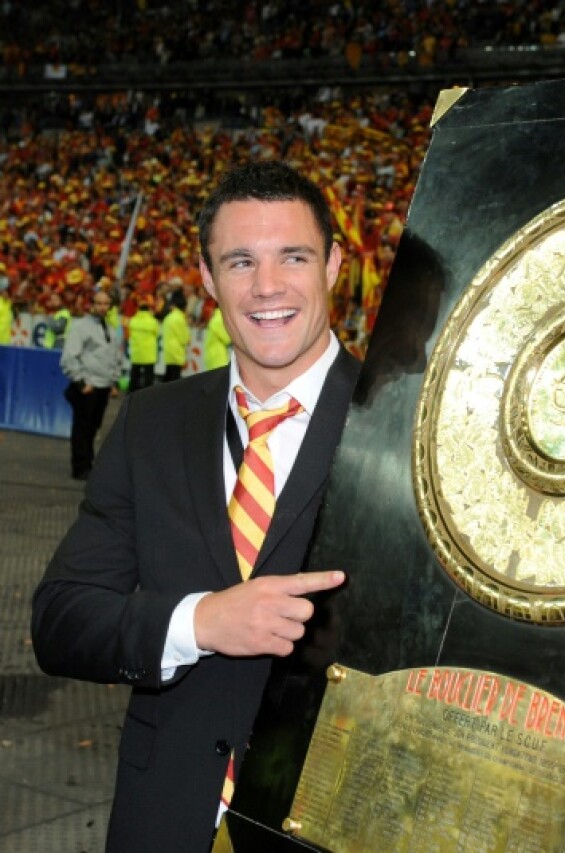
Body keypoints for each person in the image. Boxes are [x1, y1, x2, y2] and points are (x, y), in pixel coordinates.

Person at [31, 161, 360, 851]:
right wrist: (200, 620)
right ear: (208, 279)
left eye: (292, 257)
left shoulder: (406, 422)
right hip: (163, 821)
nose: (267, 286)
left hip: (339, 823)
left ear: (333, 264)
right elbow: (61, 618)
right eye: (240, 261)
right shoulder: (151, 422)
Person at [60, 288, 123, 480]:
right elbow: (69, 357)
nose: (102, 307)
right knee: (82, 427)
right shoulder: (81, 327)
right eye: (99, 303)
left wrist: (113, 381)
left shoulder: (110, 328)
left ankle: (88, 461)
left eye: (106, 303)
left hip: (103, 385)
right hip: (89, 385)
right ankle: (80, 466)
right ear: (92, 305)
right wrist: (80, 382)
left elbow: (113, 357)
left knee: (94, 427)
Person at [126, 294, 160, 392]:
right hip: (148, 353)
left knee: (134, 376)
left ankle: (130, 394)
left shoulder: (133, 321)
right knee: (148, 378)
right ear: (149, 309)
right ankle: (147, 395)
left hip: (136, 353)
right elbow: (157, 333)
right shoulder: (153, 322)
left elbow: (130, 333)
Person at [160, 287, 190, 381]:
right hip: (177, 353)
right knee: (175, 379)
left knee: (167, 378)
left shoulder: (168, 317)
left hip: (168, 351)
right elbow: (184, 339)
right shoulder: (180, 319)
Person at [204, 304, 232, 370]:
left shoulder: (215, 318)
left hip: (211, 354)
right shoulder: (219, 319)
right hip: (218, 356)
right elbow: (227, 339)